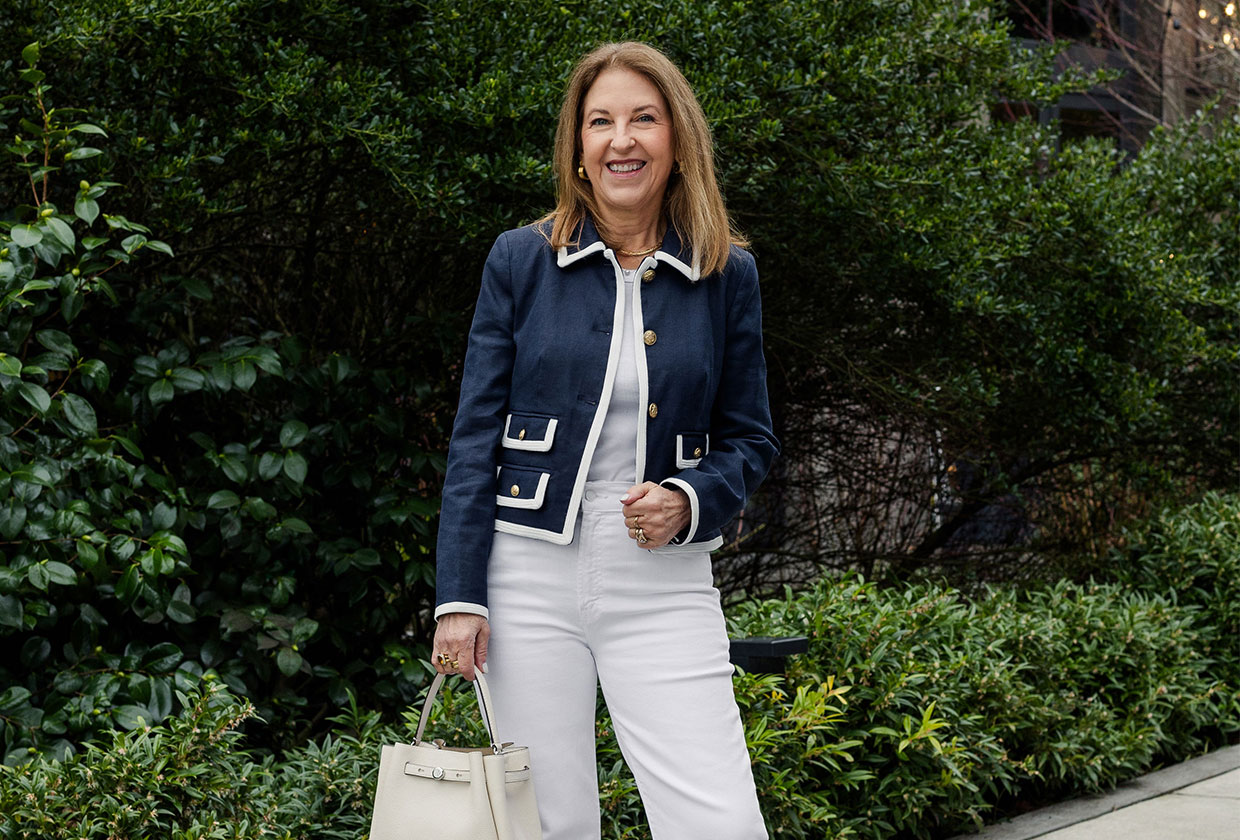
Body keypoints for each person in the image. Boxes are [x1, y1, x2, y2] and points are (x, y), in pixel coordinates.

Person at [431, 41, 779, 840]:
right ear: (579, 152)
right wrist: (460, 596)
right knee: (547, 824)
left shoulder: (727, 274)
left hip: (662, 577)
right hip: (525, 574)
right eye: (601, 122)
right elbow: (474, 437)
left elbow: (751, 437)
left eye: (643, 119)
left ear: (677, 140)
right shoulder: (521, 259)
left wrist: (690, 500)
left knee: (718, 819)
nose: (622, 139)